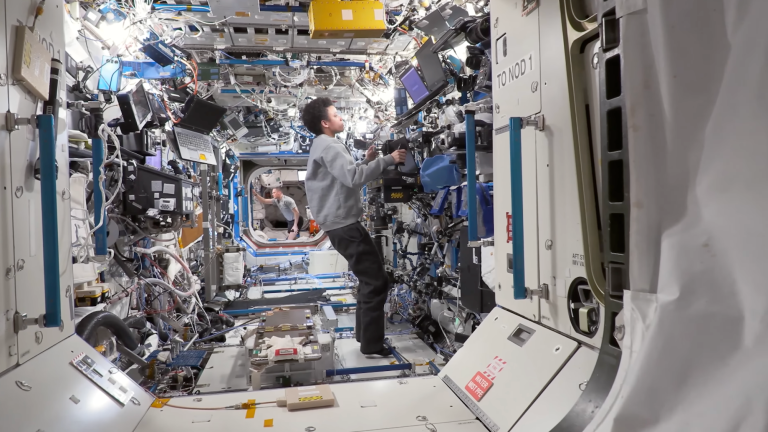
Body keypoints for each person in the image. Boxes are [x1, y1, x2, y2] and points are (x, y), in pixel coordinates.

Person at [302, 97, 407, 357]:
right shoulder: (331, 145)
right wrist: (388, 160)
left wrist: (365, 160)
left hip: (339, 224)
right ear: (325, 123)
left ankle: (365, 337)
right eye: (336, 115)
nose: (341, 118)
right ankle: (371, 345)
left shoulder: (321, 145)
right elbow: (353, 179)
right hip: (345, 225)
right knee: (376, 281)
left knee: (368, 280)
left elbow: (343, 176)